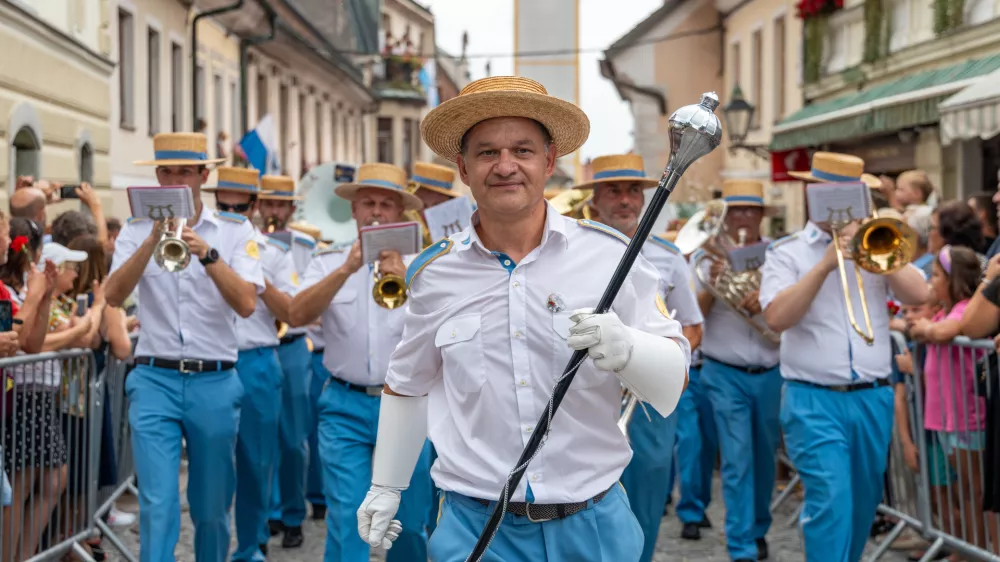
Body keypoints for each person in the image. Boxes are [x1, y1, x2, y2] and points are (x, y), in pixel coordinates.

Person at [355, 76, 690, 562]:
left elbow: (674, 381)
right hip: (478, 529)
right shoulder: (433, 273)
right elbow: (408, 384)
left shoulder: (612, 257)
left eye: (523, 150)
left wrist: (629, 351)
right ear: (463, 168)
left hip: (593, 525)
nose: (506, 166)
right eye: (487, 152)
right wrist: (386, 485)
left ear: (549, 162)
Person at [760, 152, 928, 562]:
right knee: (830, 501)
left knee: (861, 503)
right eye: (827, 192)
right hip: (813, 399)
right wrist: (823, 267)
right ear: (811, 193)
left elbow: (920, 294)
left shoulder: (878, 239)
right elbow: (777, 317)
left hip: (873, 395)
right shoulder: (787, 253)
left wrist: (875, 250)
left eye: (851, 193)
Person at [104, 132, 264, 562]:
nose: (177, 179)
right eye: (168, 172)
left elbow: (248, 304)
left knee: (212, 510)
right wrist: (150, 240)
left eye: (186, 172)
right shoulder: (136, 228)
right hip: (154, 377)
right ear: (158, 176)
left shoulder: (234, 230)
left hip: (214, 379)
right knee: (157, 505)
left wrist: (208, 254)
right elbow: (112, 295)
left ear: (202, 175)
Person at [289, 162, 431, 562]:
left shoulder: (423, 265)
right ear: (353, 211)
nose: (375, 211)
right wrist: (348, 267)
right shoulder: (327, 261)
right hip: (344, 404)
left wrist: (409, 278)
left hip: (407, 404)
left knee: (410, 521)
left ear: (399, 213)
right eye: (367, 202)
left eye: (386, 204)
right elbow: (296, 315)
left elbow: (445, 328)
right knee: (349, 518)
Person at [583, 152, 703, 562]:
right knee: (584, 500)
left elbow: (692, 325)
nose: (625, 200)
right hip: (586, 393)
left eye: (633, 190)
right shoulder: (573, 249)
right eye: (613, 190)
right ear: (595, 198)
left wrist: (662, 365)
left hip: (646, 400)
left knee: (649, 498)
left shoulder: (668, 255)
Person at [203, 167, 295, 561]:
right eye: (223, 204)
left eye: (239, 205)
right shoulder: (199, 242)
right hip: (216, 362)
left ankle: (253, 544)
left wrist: (257, 280)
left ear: (254, 206)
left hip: (256, 358)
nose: (231, 211)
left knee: (257, 462)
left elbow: (290, 309)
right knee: (215, 467)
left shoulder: (274, 252)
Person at [692, 180, 782, 561]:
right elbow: (693, 316)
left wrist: (762, 297)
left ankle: (759, 527)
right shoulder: (704, 258)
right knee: (737, 458)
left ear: (762, 215)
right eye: (736, 211)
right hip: (724, 371)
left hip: (770, 368)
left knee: (765, 458)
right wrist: (712, 287)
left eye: (750, 210)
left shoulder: (779, 255)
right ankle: (741, 544)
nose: (743, 217)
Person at [255, 175, 315, 548]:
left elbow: (308, 292)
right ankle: (266, 514)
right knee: (260, 441)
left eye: (281, 205)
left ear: (292, 209)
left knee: (294, 439)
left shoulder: (306, 245)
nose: (275, 211)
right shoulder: (250, 243)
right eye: (269, 204)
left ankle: (293, 513)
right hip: (261, 344)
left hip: (292, 344)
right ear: (260, 207)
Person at [406, 161, 464, 537]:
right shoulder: (406, 239)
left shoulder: (460, 242)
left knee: (452, 477)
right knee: (412, 497)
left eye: (435, 197)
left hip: (453, 382)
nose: (426, 203)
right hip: (416, 377)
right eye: (423, 196)